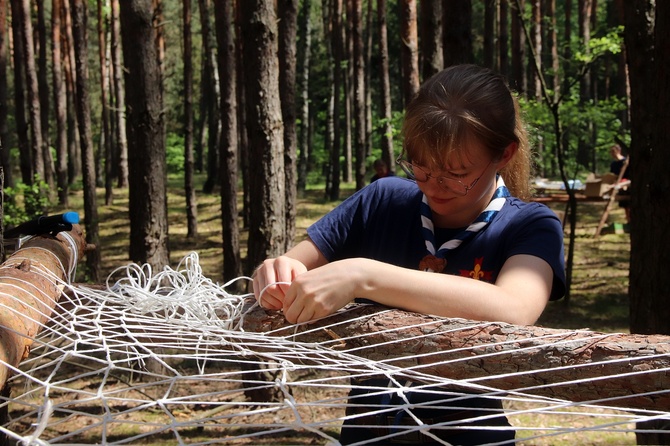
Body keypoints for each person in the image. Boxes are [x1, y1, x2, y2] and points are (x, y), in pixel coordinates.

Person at [253, 64, 566, 445]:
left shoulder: (531, 225)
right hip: (368, 434)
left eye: (456, 172)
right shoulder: (381, 200)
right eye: (420, 165)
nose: (435, 185)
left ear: (504, 154)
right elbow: (294, 263)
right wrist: (276, 274)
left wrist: (364, 276)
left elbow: (515, 308)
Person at [609, 143, 631, 223]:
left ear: (618, 151)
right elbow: (613, 176)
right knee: (625, 205)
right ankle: (628, 221)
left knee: (630, 204)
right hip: (618, 186)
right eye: (611, 152)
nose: (612, 154)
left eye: (613, 152)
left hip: (627, 185)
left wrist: (623, 183)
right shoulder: (613, 164)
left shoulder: (626, 162)